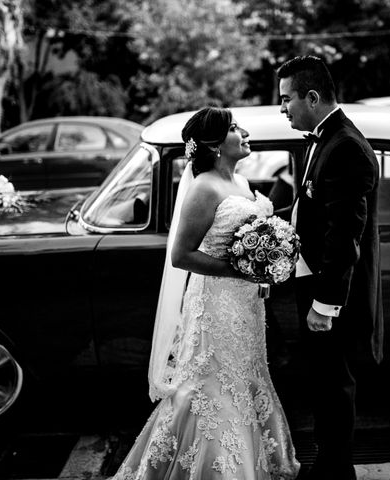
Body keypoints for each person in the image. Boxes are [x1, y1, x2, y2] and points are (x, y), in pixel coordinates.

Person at [113, 107, 300, 480]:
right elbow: (182, 254)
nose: (244, 133)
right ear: (215, 144)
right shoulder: (203, 187)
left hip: (245, 306)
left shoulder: (244, 184)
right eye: (234, 128)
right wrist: (240, 269)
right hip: (215, 304)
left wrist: (265, 264)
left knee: (245, 376)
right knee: (211, 386)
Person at [276, 56, 383, 480]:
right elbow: (311, 208)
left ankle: (337, 472)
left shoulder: (345, 148)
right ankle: (327, 463)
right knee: (322, 380)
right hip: (313, 281)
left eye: (287, 99)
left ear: (312, 97)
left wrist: (325, 303)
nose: (282, 108)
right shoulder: (323, 139)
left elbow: (345, 236)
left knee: (334, 383)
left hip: (332, 294)